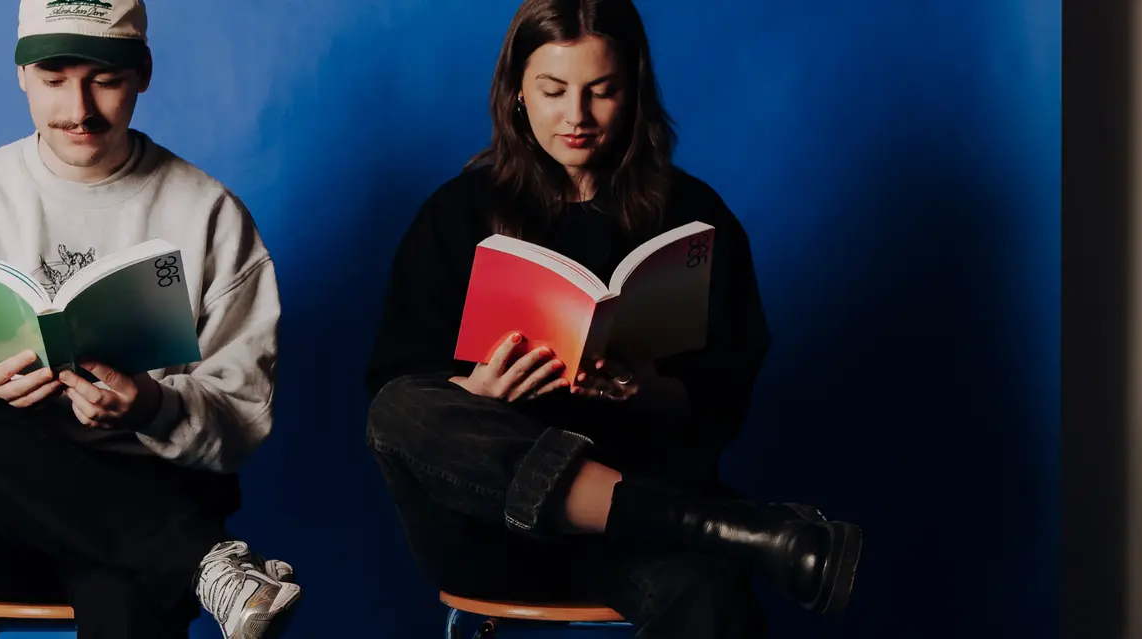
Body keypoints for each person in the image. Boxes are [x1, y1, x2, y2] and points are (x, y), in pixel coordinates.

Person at [363, 0, 862, 636]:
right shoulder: (453, 216)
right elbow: (396, 390)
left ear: (634, 93)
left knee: (708, 594)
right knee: (398, 408)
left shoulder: (693, 217)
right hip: (492, 530)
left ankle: (696, 527)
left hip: (635, 531)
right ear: (517, 92)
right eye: (553, 91)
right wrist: (476, 392)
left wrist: (651, 390)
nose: (576, 115)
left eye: (601, 91)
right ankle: (725, 527)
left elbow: (725, 392)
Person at [0, 1, 297, 637]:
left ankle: (185, 558)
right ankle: (204, 563)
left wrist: (152, 406)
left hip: (145, 500)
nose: (78, 109)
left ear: (143, 73)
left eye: (105, 80)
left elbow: (244, 416)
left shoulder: (209, 214)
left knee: (127, 590)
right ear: (21, 76)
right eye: (54, 80)